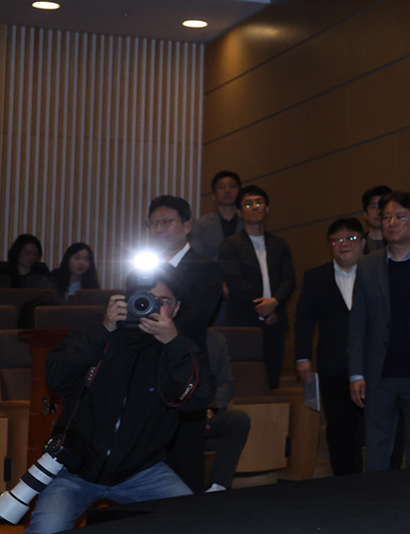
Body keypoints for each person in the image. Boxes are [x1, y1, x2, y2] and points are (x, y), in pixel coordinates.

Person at [26, 268, 214, 534]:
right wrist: (103, 329)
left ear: (177, 308)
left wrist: (173, 344)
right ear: (128, 300)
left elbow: (198, 399)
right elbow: (57, 379)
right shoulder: (98, 330)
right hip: (75, 469)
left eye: (163, 302)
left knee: (197, 525)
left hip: (143, 472)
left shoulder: (180, 348)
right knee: (46, 529)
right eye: (144, 298)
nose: (151, 307)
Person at [347, 191, 410, 470]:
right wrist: (356, 373)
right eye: (386, 217)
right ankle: (375, 497)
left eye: (400, 217)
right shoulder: (367, 265)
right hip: (378, 376)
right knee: (377, 451)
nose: (391, 223)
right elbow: (357, 322)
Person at [144, 194, 223, 494]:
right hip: (146, 373)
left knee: (185, 459)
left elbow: (194, 321)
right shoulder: (142, 269)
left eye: (166, 221)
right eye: (153, 223)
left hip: (185, 371)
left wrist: (157, 328)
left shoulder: (207, 268)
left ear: (187, 226)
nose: (158, 229)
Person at [294, 218, 368, 475]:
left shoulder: (375, 272)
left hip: (371, 363)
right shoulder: (315, 277)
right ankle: (344, 482)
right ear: (329, 246)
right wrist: (302, 357)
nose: (344, 244)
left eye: (351, 238)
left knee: (371, 427)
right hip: (333, 365)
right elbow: (304, 320)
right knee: (339, 428)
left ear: (363, 243)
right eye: (337, 240)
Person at [218, 185, 295, 390]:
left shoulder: (279, 243)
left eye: (259, 202)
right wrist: (263, 307)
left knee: (272, 380)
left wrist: (275, 303)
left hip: (275, 321)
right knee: (243, 381)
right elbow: (234, 281)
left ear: (267, 209)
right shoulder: (230, 244)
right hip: (243, 320)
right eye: (248, 204)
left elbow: (289, 279)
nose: (255, 207)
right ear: (239, 212)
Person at [203, 329, 250, 492]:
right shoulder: (161, 334)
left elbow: (225, 383)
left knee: (238, 420)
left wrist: (210, 410)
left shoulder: (215, 340)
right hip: (177, 413)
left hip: (207, 412)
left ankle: (217, 487)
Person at [190, 171, 243, 261]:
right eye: (221, 187)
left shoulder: (248, 222)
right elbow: (197, 257)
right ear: (214, 195)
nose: (227, 191)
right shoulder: (200, 224)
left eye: (232, 186)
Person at [361, 185, 392, 254]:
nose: (378, 212)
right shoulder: (358, 245)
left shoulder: (401, 242)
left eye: (382, 206)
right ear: (365, 214)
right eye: (374, 207)